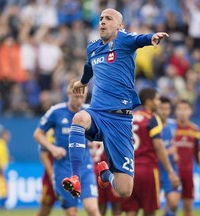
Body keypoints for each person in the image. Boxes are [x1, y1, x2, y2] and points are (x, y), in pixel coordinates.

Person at [61, 8, 169, 198]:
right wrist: (83, 82)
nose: (102, 21)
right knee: (79, 117)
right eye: (101, 18)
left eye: (108, 19)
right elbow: (89, 66)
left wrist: (151, 37)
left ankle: (105, 174)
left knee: (124, 190)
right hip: (98, 113)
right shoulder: (93, 47)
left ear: (120, 26)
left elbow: (139, 40)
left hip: (121, 120)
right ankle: (75, 177)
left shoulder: (124, 40)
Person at [33, 81, 101, 216]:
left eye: (83, 97)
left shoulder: (90, 111)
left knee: (92, 209)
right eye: (76, 96)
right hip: (63, 168)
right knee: (71, 212)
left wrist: (94, 140)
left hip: (85, 167)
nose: (79, 100)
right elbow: (38, 134)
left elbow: (102, 132)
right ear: (68, 93)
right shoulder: (56, 111)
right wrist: (52, 148)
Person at [121, 88, 180, 216]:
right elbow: (158, 146)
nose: (159, 103)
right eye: (157, 99)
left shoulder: (129, 117)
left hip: (129, 169)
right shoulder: (152, 119)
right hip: (147, 170)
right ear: (149, 102)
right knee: (150, 210)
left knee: (131, 211)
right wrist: (170, 172)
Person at [174, 100, 200, 216]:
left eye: (185, 109)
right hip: (173, 173)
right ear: (176, 111)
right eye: (180, 109)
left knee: (188, 207)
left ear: (190, 112)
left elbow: (198, 153)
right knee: (172, 204)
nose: (182, 112)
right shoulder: (171, 128)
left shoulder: (195, 130)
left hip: (188, 173)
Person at [157, 97, 181, 216]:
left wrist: (175, 152)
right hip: (154, 168)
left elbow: (174, 143)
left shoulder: (173, 125)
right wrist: (166, 152)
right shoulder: (151, 124)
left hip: (169, 169)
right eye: (162, 108)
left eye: (167, 109)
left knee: (173, 202)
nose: (164, 111)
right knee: (150, 206)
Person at [91, 141, 122, 216]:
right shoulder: (109, 133)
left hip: (95, 170)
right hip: (108, 170)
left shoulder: (93, 132)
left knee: (100, 206)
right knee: (116, 206)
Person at [36, 129, 56, 216]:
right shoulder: (51, 131)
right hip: (50, 178)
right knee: (45, 210)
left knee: (71, 210)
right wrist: (51, 173)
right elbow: (43, 154)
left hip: (66, 174)